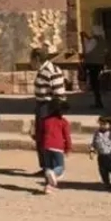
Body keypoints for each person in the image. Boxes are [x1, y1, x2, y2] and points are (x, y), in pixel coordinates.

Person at [30, 47, 66, 175]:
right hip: (41, 105)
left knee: (48, 137)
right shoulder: (41, 71)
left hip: (49, 106)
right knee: (39, 136)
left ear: (37, 59)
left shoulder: (52, 71)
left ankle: (54, 167)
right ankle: (45, 166)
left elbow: (59, 94)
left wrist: (55, 113)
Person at [37, 98, 72, 193]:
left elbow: (40, 134)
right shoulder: (63, 122)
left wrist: (39, 143)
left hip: (45, 146)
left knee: (48, 166)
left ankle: (48, 186)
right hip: (58, 147)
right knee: (60, 167)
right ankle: (52, 176)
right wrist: (68, 148)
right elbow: (67, 136)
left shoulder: (45, 120)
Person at [88, 114, 111, 190]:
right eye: (100, 124)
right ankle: (107, 184)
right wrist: (92, 151)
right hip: (101, 155)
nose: (102, 126)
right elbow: (94, 143)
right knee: (103, 170)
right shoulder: (97, 133)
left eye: (104, 124)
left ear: (110, 124)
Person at [80, 28, 107, 109]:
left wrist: (82, 40)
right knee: (96, 83)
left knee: (95, 84)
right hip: (100, 63)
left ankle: (98, 102)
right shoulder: (102, 41)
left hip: (92, 64)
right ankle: (98, 101)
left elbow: (86, 52)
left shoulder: (93, 41)